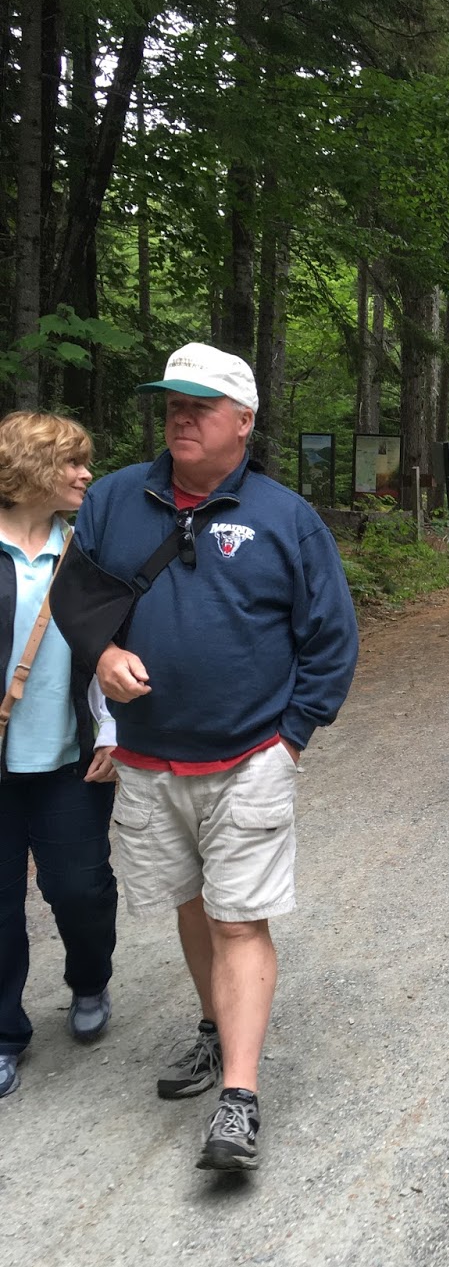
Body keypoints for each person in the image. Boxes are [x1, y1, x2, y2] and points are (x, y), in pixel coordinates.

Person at [51, 344, 359, 1170]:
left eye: (200, 405)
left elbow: (331, 638)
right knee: (193, 904)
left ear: (244, 421)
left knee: (237, 917)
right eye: (172, 403)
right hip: (148, 758)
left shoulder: (286, 518)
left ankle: (240, 1099)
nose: (181, 417)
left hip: (251, 754)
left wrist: (292, 736)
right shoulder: (116, 499)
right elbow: (76, 597)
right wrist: (101, 653)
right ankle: (216, 1029)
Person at [0, 412, 118, 1099]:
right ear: (31, 469)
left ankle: (90, 979)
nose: (85, 475)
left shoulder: (84, 557)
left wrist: (113, 732)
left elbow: (116, 649)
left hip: (72, 758)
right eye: (72, 463)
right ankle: (4, 1033)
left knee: (79, 889)